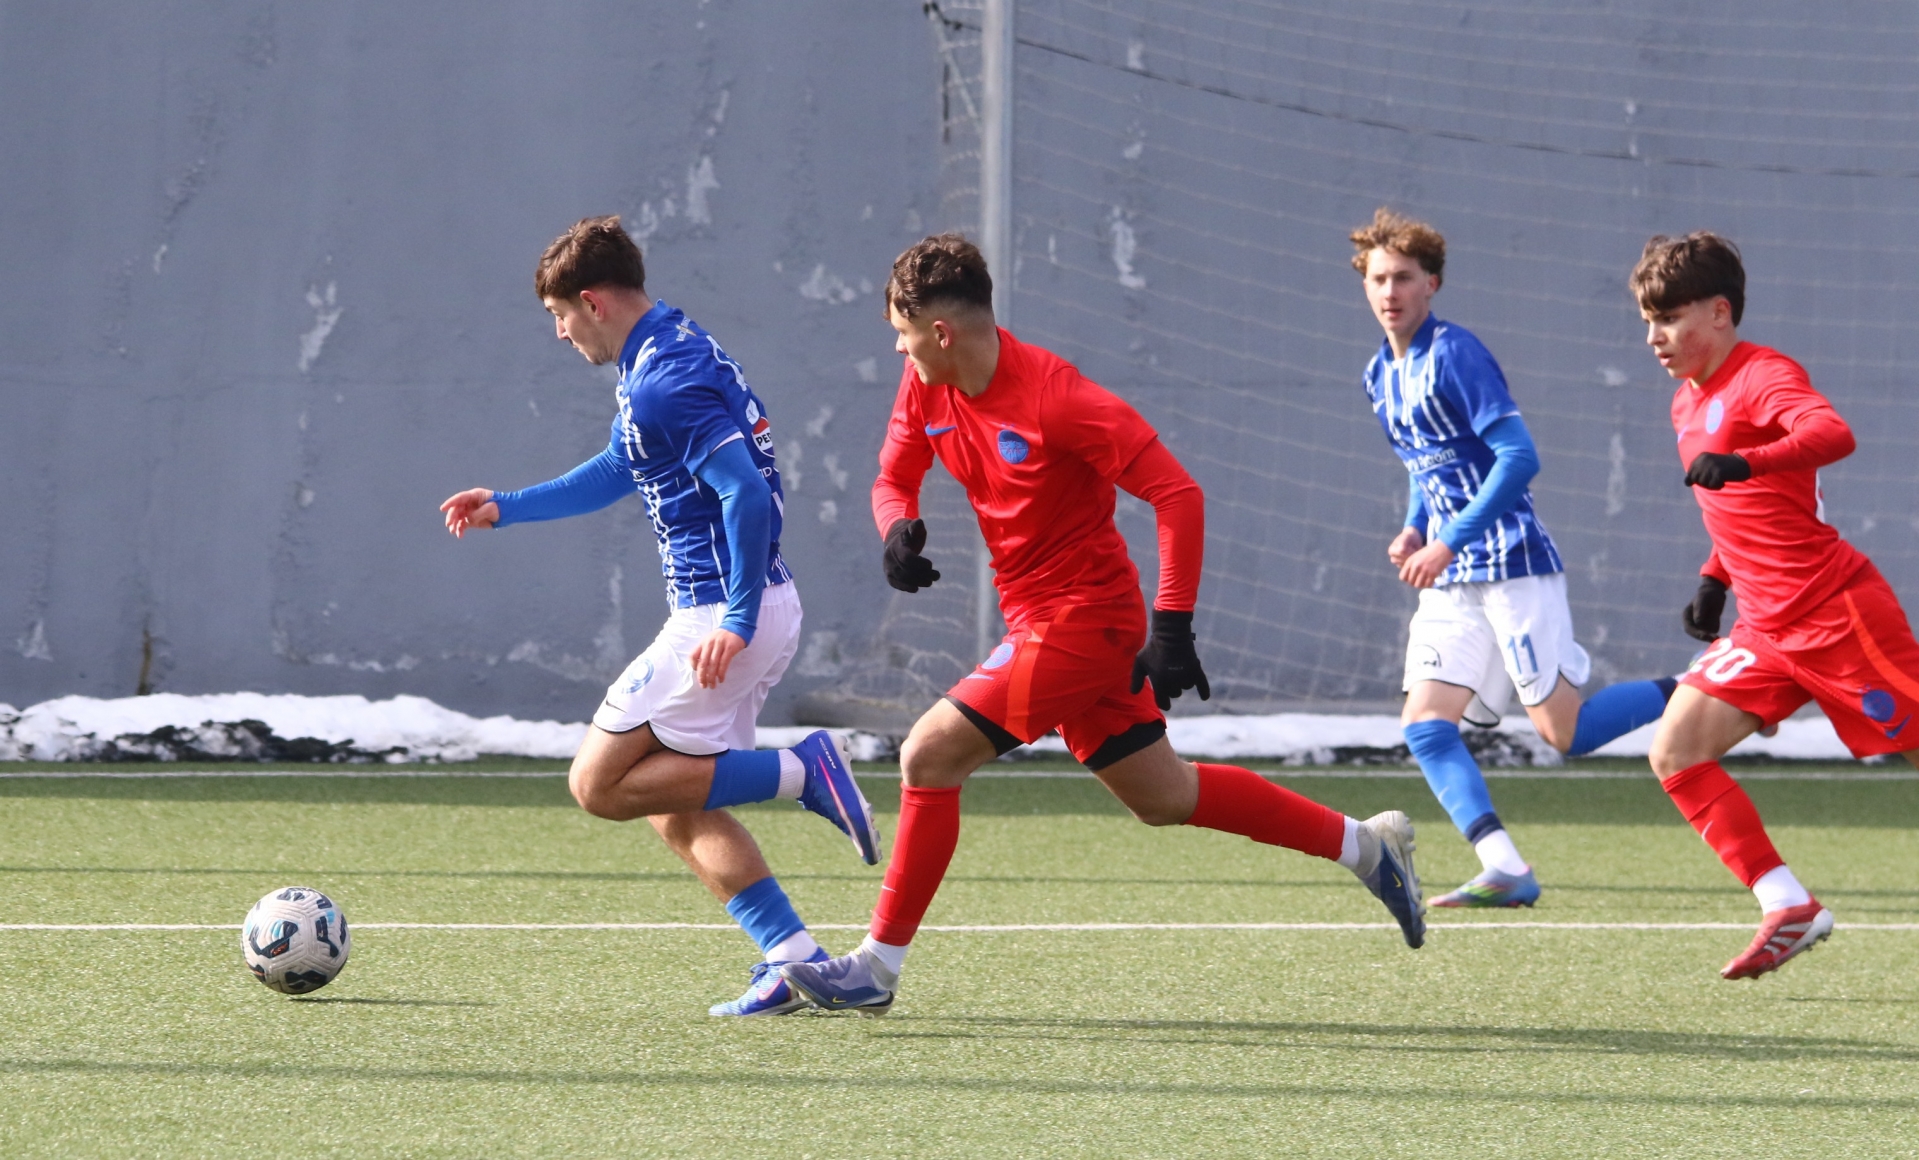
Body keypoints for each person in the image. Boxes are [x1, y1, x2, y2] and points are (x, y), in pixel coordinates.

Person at [781, 234, 1428, 1016]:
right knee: (1163, 795)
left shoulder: (1057, 398)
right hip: (1037, 618)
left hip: (1082, 621)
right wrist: (895, 529)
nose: (898, 345)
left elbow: (1177, 495)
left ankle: (875, 969)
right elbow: (893, 476)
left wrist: (1173, 625)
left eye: (902, 331)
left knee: (928, 754)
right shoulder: (927, 382)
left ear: (941, 331)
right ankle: (1366, 846)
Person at [438, 215, 881, 1015]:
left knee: (599, 785)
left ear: (591, 301)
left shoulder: (661, 380)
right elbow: (622, 466)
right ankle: (792, 959)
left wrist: (735, 619)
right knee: (672, 803)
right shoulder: (667, 345)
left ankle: (804, 770)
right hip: (741, 606)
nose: (560, 334)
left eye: (559, 316)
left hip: (721, 613)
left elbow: (745, 492)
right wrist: (508, 506)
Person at [1350, 208, 1679, 909]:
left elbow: (1519, 457)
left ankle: (1708, 685)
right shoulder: (1379, 374)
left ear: (1431, 284)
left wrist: (1445, 540)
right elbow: (1424, 463)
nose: (1390, 291)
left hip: (1510, 563)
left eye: (1403, 277)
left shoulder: (1455, 354)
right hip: (1450, 577)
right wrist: (1414, 528)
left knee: (1566, 732)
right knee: (1424, 725)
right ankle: (1503, 867)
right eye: (1378, 279)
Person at [1633, 231, 1919, 979]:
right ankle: (1787, 904)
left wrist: (1745, 459)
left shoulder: (1763, 374)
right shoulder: (1684, 401)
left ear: (1719, 312)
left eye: (1670, 318)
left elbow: (1831, 433)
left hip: (1835, 612)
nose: (1655, 336)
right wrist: (1714, 579)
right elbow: (1743, 510)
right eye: (1648, 320)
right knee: (1674, 751)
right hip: (1765, 628)